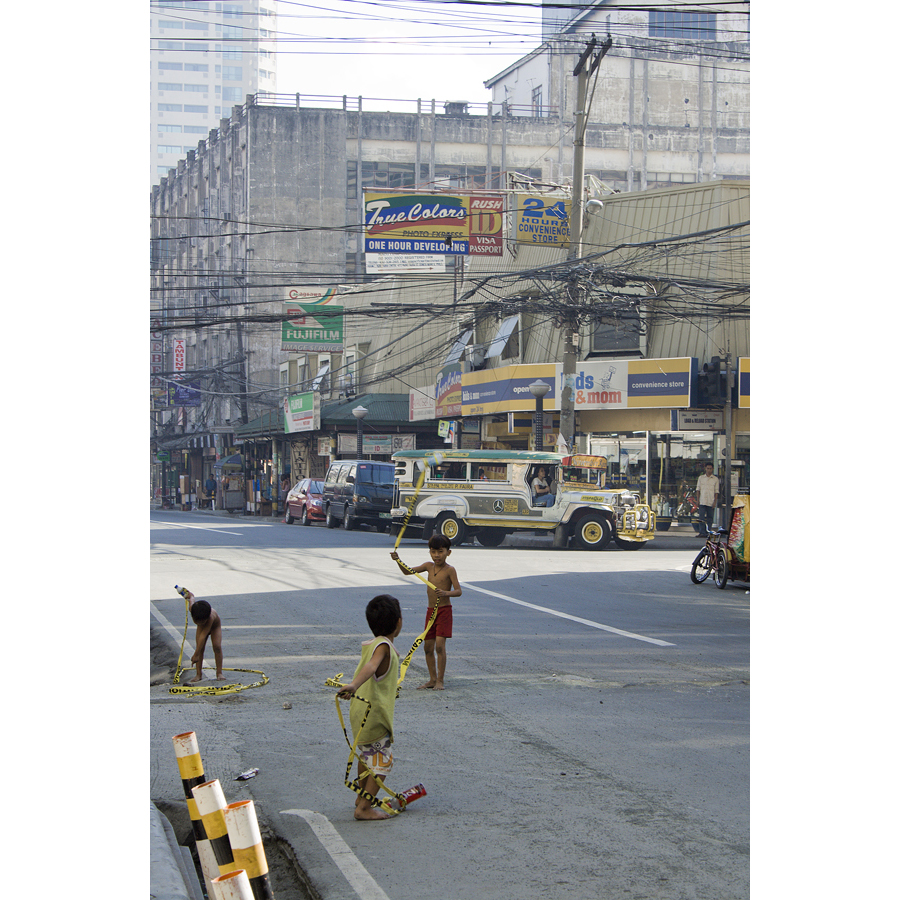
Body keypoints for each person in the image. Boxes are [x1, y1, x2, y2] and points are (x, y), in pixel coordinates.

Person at [337, 594, 403, 821]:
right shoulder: (383, 647)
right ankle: (364, 808)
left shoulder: (374, 644)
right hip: (372, 716)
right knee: (382, 761)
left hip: (359, 712)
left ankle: (360, 796)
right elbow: (372, 666)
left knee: (365, 756)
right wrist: (354, 684)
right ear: (399, 622)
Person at [390, 534, 461, 691]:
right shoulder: (428, 566)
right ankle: (432, 679)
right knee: (428, 647)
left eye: (440, 551)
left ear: (448, 553)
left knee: (440, 646)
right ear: (429, 552)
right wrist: (398, 560)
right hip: (431, 612)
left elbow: (458, 591)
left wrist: (445, 593)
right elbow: (407, 572)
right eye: (433, 551)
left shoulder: (450, 570)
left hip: (444, 611)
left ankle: (440, 681)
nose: (437, 555)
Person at [183, 590, 225, 682]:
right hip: (202, 628)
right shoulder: (192, 609)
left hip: (214, 626)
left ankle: (219, 672)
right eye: (197, 622)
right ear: (193, 616)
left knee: (217, 647)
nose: (200, 623)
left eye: (202, 621)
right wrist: (190, 596)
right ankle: (198, 674)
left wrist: (195, 654)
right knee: (200, 648)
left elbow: (203, 636)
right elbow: (192, 600)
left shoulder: (210, 618)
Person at [696, 462, 720, 536]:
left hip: (711, 501)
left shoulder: (715, 479)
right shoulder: (701, 478)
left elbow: (716, 491)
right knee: (701, 517)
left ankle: (708, 532)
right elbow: (698, 489)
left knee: (710, 518)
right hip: (702, 500)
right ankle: (701, 532)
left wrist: (715, 502)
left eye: (710, 468)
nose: (709, 470)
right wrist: (697, 500)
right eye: (707, 468)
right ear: (705, 469)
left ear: (712, 469)